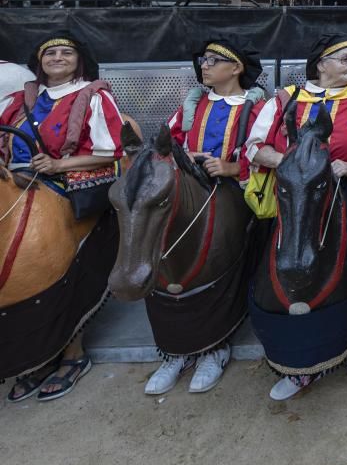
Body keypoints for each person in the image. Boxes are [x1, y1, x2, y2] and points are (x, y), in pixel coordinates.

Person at [245, 32, 347, 400]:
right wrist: (295, 166)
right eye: (345, 59)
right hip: (293, 206)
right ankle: (299, 363)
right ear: (321, 64)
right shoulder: (286, 101)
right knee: (287, 280)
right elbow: (254, 148)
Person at [137, 37, 266, 396]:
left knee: (216, 248)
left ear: (236, 67)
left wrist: (231, 167)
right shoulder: (192, 105)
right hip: (191, 188)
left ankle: (214, 346)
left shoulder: (255, 108)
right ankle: (175, 350)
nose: (204, 65)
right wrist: (182, 156)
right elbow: (169, 142)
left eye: (213, 60)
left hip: (233, 189)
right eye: (203, 60)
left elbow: (268, 149)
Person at [0, 32, 125, 401]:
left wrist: (57, 163)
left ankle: (73, 352)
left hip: (69, 182)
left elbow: (110, 151)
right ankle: (36, 352)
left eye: (65, 52)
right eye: (49, 53)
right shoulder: (19, 101)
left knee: (61, 254)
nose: (56, 57)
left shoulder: (94, 97)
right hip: (18, 182)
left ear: (79, 59)